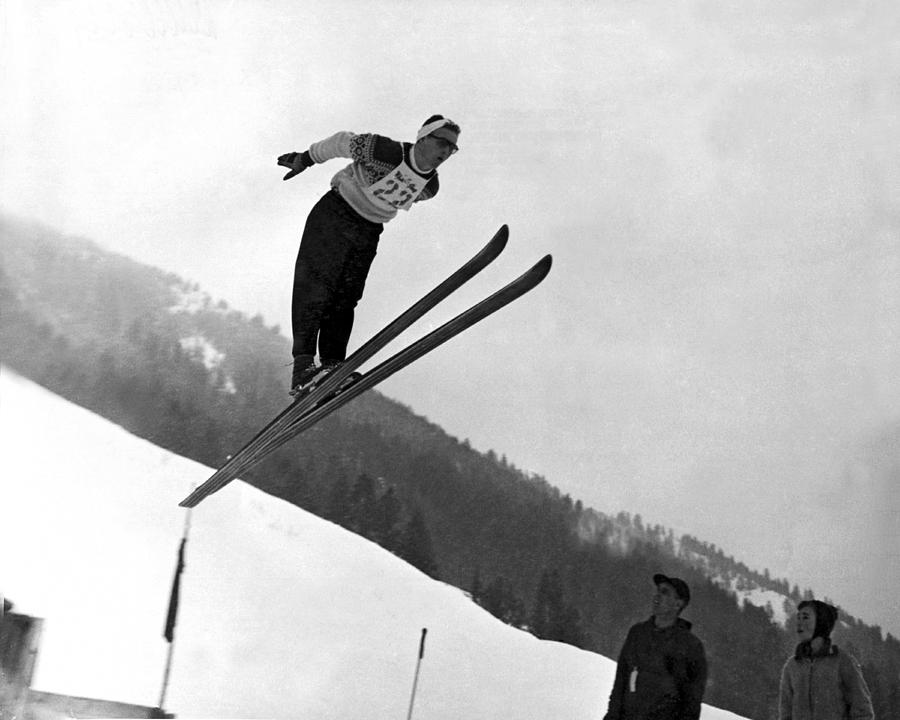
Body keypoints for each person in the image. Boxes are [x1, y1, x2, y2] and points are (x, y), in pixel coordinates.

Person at [276, 115, 461, 395]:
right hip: (335, 213)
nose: (446, 152)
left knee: (345, 297)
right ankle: (303, 368)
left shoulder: (429, 187)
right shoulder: (384, 151)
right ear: (423, 138)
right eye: (442, 143)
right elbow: (341, 142)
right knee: (314, 287)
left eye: (452, 148)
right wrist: (306, 158)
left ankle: (331, 367)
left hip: (368, 230)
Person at [603, 573, 707, 720]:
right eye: (658, 591)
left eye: (665, 593)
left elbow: (691, 703)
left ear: (678, 604)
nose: (657, 596)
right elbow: (621, 681)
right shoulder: (637, 633)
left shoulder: (690, 646)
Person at [778, 599, 874, 720]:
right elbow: (786, 714)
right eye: (798, 618)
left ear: (821, 622)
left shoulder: (842, 662)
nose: (799, 623)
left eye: (805, 617)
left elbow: (862, 711)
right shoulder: (792, 666)